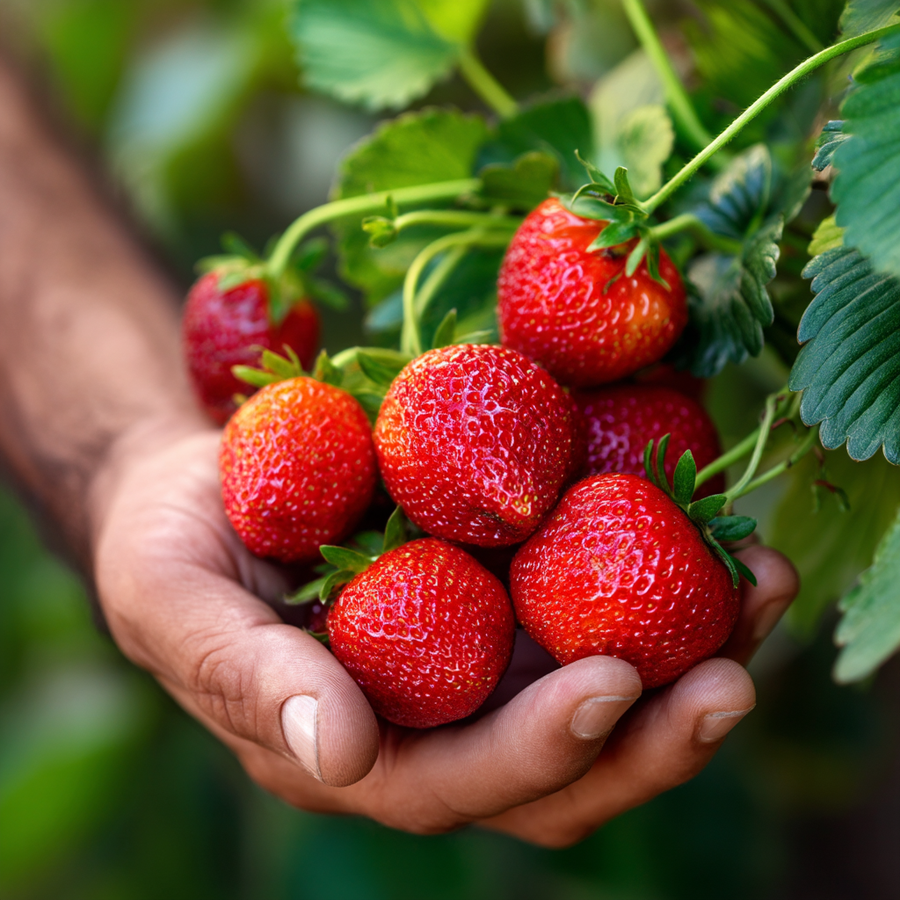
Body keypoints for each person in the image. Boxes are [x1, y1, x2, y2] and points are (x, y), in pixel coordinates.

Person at [0, 58, 799, 847]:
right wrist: (129, 456)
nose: (518, 505)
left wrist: (129, 450)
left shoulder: (483, 406)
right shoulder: (449, 424)